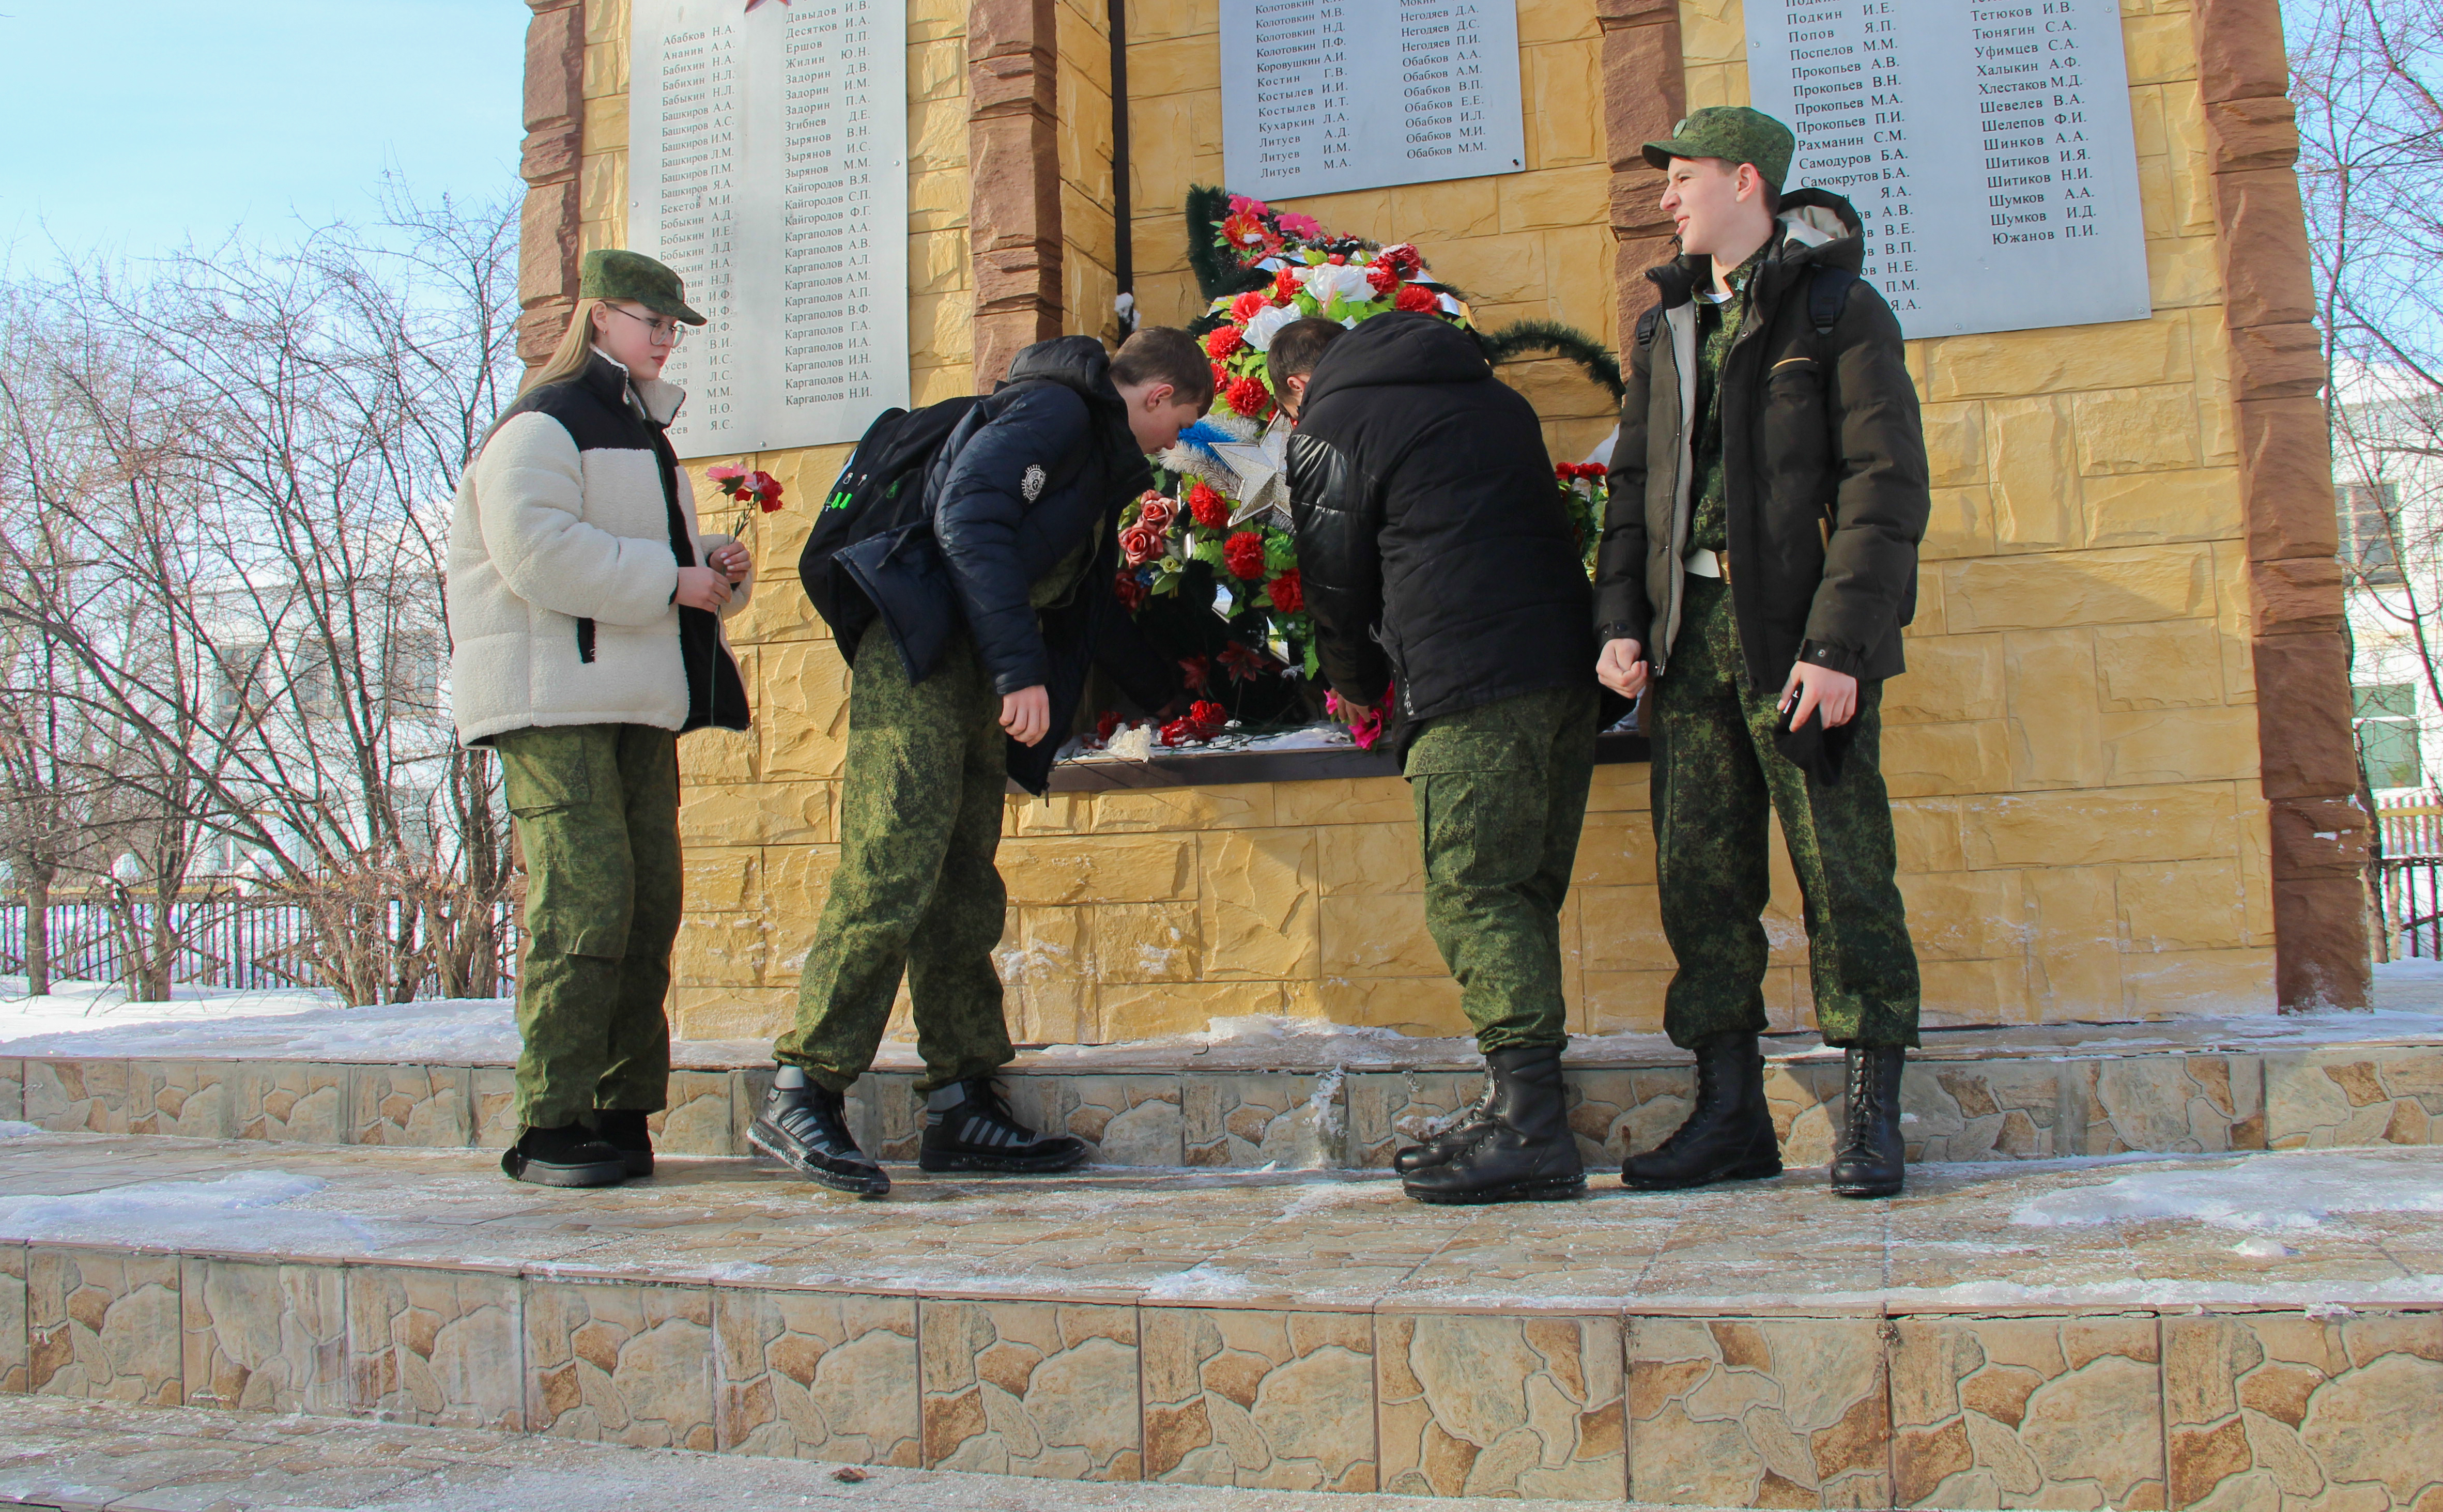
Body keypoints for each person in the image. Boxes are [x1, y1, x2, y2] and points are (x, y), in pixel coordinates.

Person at [749, 328, 1213, 1196]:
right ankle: (802, 1086)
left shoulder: (1092, 455)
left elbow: (1082, 605)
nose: (1173, 444)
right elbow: (967, 512)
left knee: (962, 877)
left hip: (964, 659)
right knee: (891, 865)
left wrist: (1183, 688)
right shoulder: (1055, 413)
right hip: (922, 650)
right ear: (1157, 397)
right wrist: (1019, 670)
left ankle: (963, 1098)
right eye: (1180, 423)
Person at [1593, 106, 1931, 1199]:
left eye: (1683, 177)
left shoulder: (1837, 310)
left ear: (1748, 182)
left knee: (1843, 870)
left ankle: (1875, 1113)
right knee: (1701, 878)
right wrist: (1620, 626)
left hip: (1798, 643)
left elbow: (1885, 492)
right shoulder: (1670, 326)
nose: (1668, 199)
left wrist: (1840, 644)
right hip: (1688, 643)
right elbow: (1636, 494)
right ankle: (1730, 1113)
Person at [1272, 312, 1605, 1206]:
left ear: (1297, 389)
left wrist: (1355, 686)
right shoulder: (1497, 400)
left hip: (1468, 682)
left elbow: (1336, 583)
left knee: (1476, 895)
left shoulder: (1333, 427)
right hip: (1569, 675)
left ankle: (1535, 1131)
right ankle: (1515, 1109)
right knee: (1522, 889)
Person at [448, 249, 756, 1189]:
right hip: (555, 703)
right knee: (585, 904)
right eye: (652, 322)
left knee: (646, 902)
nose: (666, 340)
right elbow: (539, 555)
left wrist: (710, 565)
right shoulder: (539, 426)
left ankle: (620, 1115)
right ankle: (549, 1121)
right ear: (601, 319)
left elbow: (641, 556)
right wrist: (674, 577)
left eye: (673, 326)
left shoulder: (643, 434)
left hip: (635, 698)